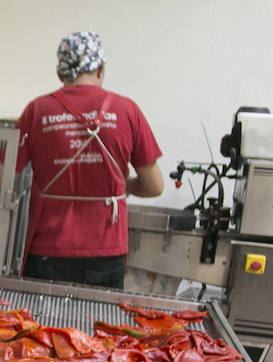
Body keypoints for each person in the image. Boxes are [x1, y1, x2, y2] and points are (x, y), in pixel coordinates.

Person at [13, 30, 163, 289]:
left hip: (48, 249)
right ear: (101, 69)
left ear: (61, 74)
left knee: (42, 327)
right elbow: (153, 186)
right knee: (97, 326)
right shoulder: (127, 110)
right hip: (105, 251)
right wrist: (119, 184)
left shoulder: (37, 111)